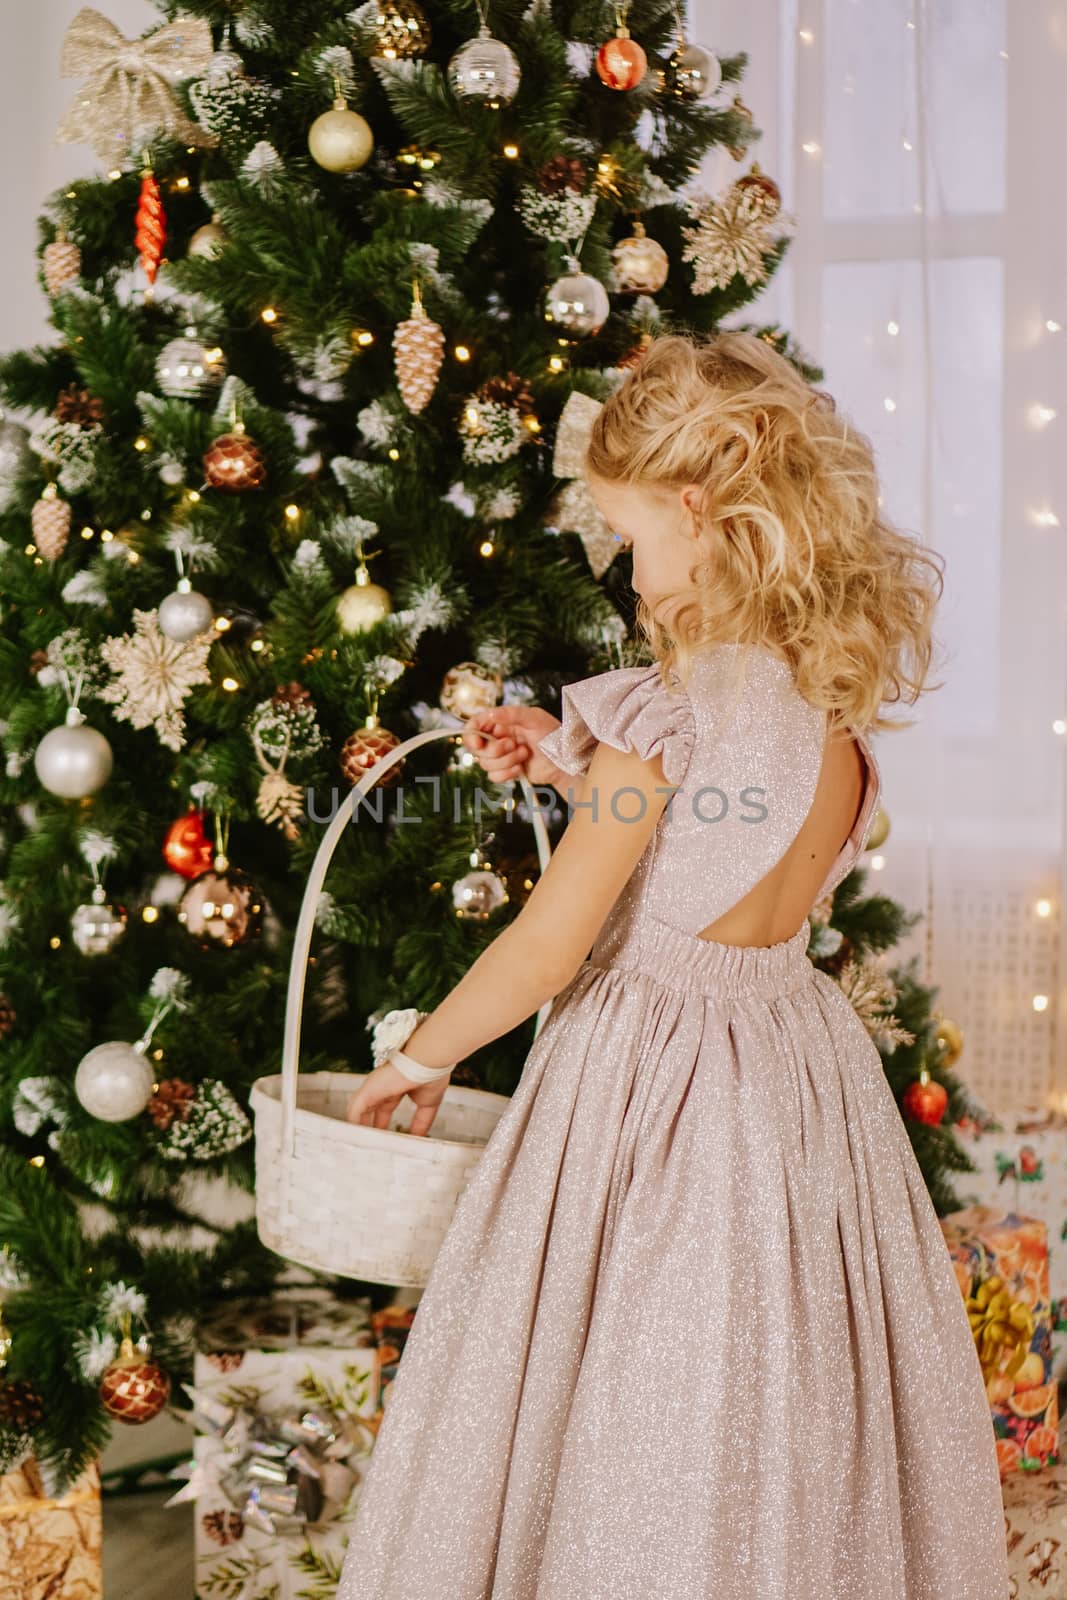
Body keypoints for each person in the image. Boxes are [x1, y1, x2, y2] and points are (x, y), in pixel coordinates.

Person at [336, 332, 1010, 1598]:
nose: (626, 567)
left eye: (630, 533)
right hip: (791, 1085)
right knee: (762, 1385)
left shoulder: (664, 706)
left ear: (699, 514)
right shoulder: (833, 725)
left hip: (648, 1093)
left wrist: (415, 1055)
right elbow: (714, 851)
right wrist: (568, 761)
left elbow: (554, 940)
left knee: (625, 1381)